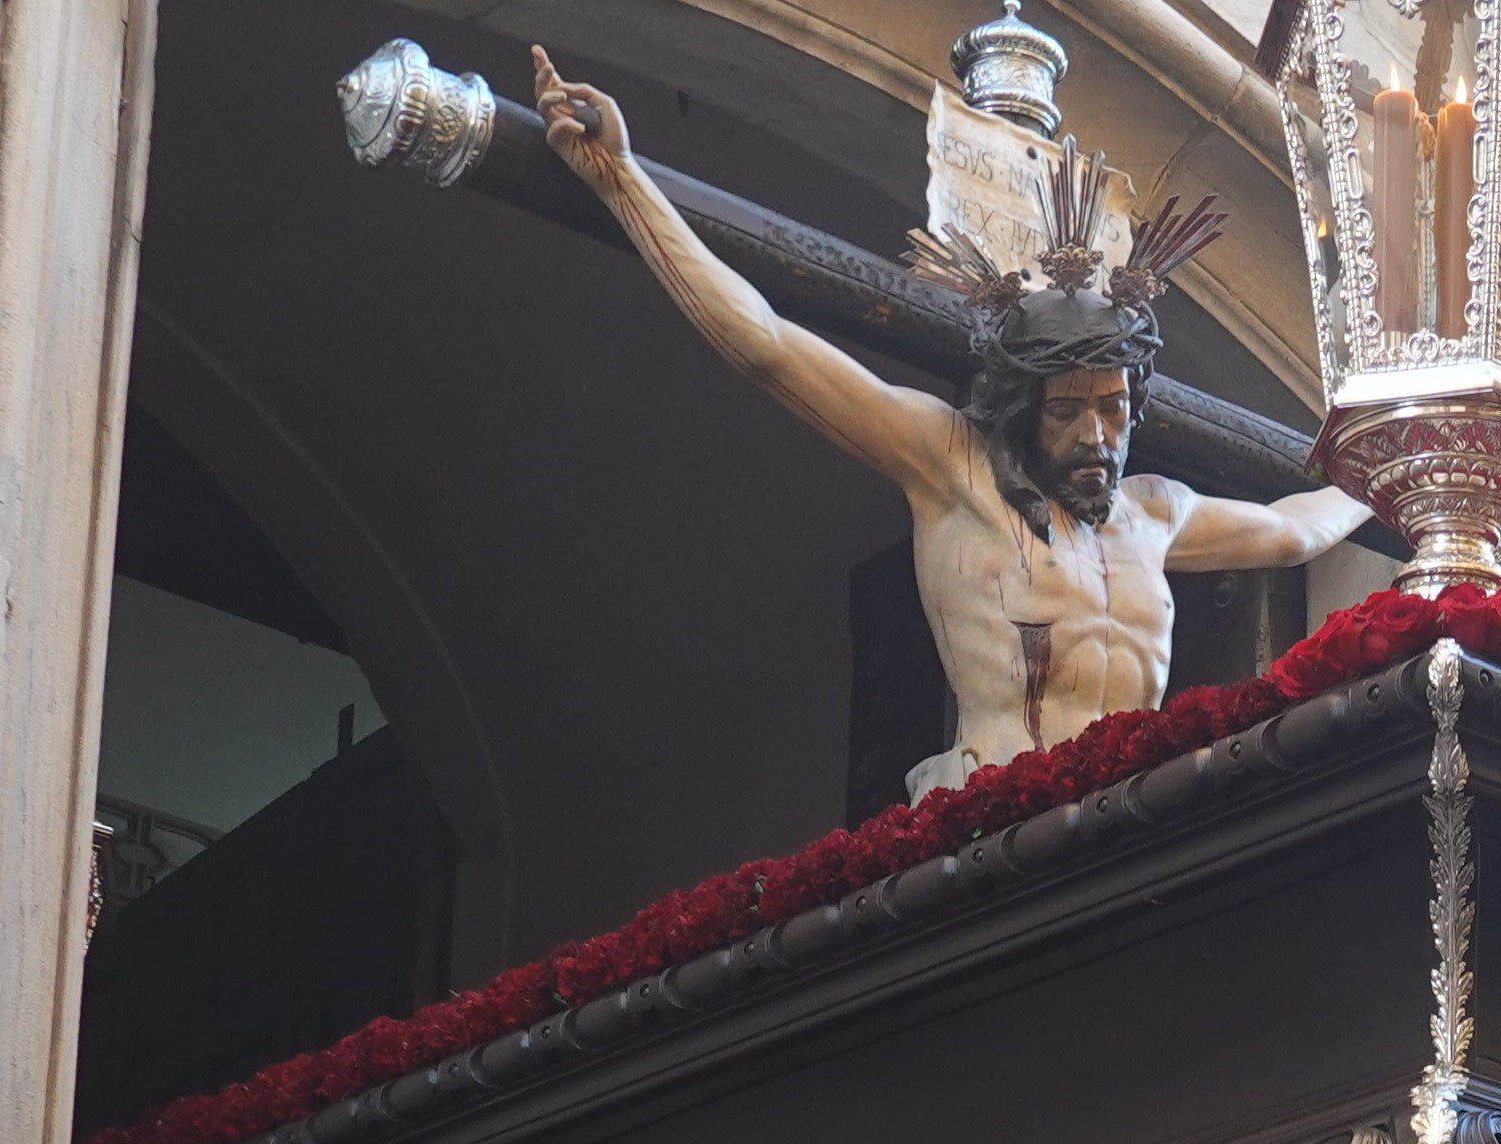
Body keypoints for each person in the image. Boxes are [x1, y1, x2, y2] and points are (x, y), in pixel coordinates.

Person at [525, 47, 1371, 780]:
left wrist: (1412, 457)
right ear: (1019, 409)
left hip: (1135, 836)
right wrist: (623, 183)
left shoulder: (1154, 513)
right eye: (1066, 411)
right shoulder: (951, 466)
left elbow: (1296, 530)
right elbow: (764, 343)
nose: (1095, 438)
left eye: (1113, 410)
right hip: (1001, 833)